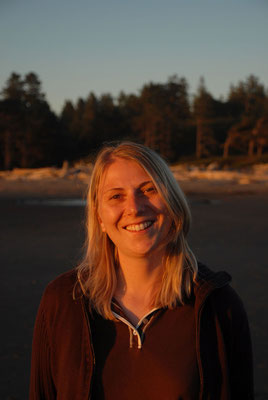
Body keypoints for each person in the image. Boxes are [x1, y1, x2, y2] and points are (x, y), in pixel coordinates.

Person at [30, 141, 254, 399]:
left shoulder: (218, 307)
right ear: (99, 217)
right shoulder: (62, 301)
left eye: (148, 190)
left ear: (172, 203)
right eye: (116, 196)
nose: (135, 208)